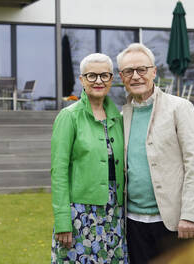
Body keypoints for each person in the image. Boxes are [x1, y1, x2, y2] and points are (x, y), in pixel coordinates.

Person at [117, 43, 194, 264]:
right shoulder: (123, 115)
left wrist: (189, 215)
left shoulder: (180, 108)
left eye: (142, 69)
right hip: (134, 224)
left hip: (176, 223)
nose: (136, 76)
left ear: (154, 71)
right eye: (129, 71)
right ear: (121, 76)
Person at [51, 53, 128, 263]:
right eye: (92, 76)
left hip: (114, 213)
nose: (98, 81)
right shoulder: (69, 116)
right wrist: (62, 221)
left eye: (104, 75)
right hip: (80, 215)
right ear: (81, 80)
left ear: (112, 79)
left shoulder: (118, 118)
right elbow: (58, 172)